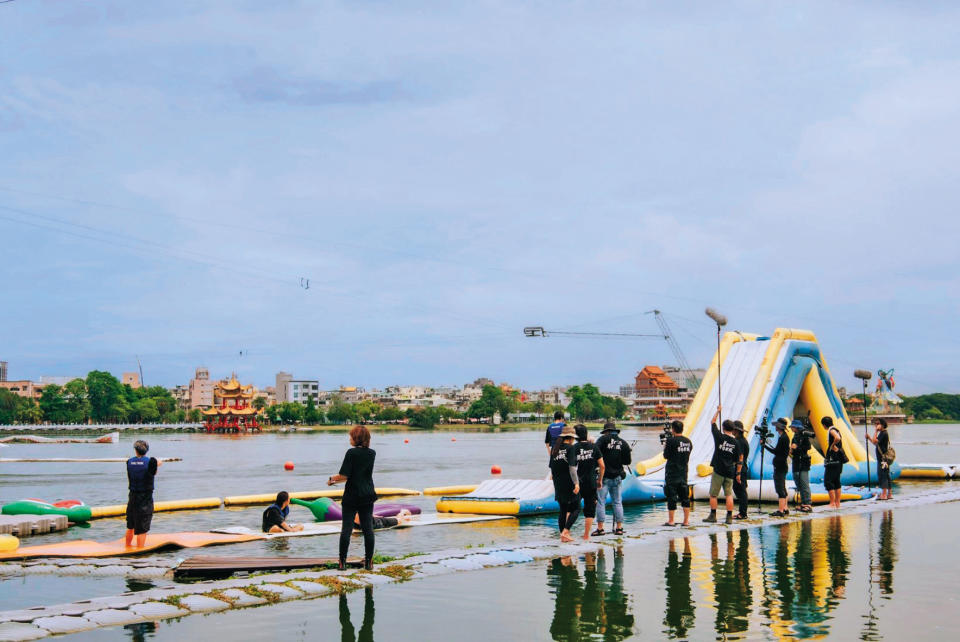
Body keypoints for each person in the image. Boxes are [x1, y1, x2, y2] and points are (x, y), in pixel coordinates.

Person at [328, 425, 378, 570]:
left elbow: (344, 476)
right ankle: (369, 562)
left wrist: (332, 479)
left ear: (356, 438)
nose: (349, 439)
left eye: (351, 436)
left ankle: (342, 563)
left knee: (347, 529)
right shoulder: (372, 453)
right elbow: (358, 474)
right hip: (367, 494)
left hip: (352, 495)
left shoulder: (351, 453)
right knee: (368, 529)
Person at [593, 421, 632, 536]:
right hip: (617, 477)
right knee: (617, 502)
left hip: (603, 477)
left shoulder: (602, 440)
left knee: (601, 502)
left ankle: (600, 529)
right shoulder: (623, 443)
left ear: (606, 432)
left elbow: (594, 453)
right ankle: (619, 528)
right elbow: (627, 461)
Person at [703, 407, 740, 524]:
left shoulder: (719, 437)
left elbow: (712, 422)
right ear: (733, 429)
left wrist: (718, 411)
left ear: (723, 428)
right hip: (730, 471)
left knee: (713, 494)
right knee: (728, 494)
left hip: (718, 470)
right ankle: (729, 517)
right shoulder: (736, 442)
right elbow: (737, 458)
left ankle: (713, 516)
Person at [571, 423, 604, 540]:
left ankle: (566, 532)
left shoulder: (574, 448)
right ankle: (586, 535)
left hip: (578, 483)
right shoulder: (594, 447)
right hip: (591, 482)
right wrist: (599, 479)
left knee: (572, 507)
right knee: (590, 510)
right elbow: (602, 465)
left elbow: (571, 467)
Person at [125, 439, 161, 548]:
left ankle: (127, 547)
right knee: (142, 528)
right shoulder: (151, 462)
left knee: (130, 525)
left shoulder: (129, 462)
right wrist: (157, 464)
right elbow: (153, 473)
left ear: (135, 450)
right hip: (145, 498)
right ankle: (140, 550)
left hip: (132, 496)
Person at [549, 424, 580, 542]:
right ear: (571, 438)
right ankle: (566, 531)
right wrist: (576, 483)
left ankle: (563, 534)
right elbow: (572, 468)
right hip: (568, 481)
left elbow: (552, 467)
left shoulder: (554, 448)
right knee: (576, 508)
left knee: (563, 509)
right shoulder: (570, 448)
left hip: (558, 482)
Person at [662, 420, 692, 527]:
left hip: (672, 472)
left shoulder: (671, 441)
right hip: (683, 472)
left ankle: (671, 521)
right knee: (685, 497)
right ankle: (686, 521)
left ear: (673, 429)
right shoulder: (688, 441)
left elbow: (666, 456)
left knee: (671, 497)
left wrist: (665, 446)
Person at [762, 418, 791, 517]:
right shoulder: (783, 437)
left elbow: (776, 452)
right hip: (782, 465)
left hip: (780, 466)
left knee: (779, 488)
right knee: (782, 486)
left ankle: (781, 510)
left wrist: (764, 445)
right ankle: (785, 508)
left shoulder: (783, 438)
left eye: (776, 426)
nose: (775, 427)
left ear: (779, 427)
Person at [789, 418, 813, 512]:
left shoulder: (803, 436)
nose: (791, 428)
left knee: (804, 482)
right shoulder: (795, 436)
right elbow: (792, 450)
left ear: (796, 427)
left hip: (802, 461)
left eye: (792, 427)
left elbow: (808, 447)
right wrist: (792, 449)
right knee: (798, 481)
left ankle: (807, 503)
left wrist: (797, 447)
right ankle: (803, 503)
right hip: (796, 461)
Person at [867, 418, 893, 500]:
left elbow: (875, 441)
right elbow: (877, 444)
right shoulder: (883, 433)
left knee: (883, 475)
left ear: (882, 424)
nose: (876, 425)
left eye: (878, 423)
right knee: (886, 475)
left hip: (882, 459)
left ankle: (884, 495)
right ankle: (889, 494)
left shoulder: (883, 433)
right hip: (883, 458)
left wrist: (875, 431)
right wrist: (869, 438)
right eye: (875, 424)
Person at [822, 417, 844, 508]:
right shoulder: (836, 429)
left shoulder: (831, 430)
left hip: (833, 458)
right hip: (839, 458)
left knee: (828, 480)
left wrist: (832, 445)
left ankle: (832, 503)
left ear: (824, 425)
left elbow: (837, 438)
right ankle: (837, 503)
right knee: (836, 480)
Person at [732, 421, 750, 519]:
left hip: (740, 468)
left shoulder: (740, 442)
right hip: (742, 467)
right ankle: (742, 511)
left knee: (741, 491)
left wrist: (738, 472)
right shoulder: (741, 440)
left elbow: (740, 457)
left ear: (736, 430)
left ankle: (743, 513)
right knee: (738, 489)